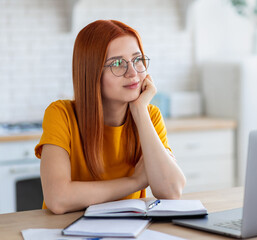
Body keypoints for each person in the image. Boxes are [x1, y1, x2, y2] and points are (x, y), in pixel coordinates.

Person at [34, 20, 186, 214]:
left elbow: (171, 191)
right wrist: (135, 182)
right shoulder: (61, 114)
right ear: (92, 72)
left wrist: (139, 111)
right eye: (117, 63)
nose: (133, 73)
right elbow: (58, 199)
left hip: (129, 230)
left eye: (137, 60)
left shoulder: (150, 116)